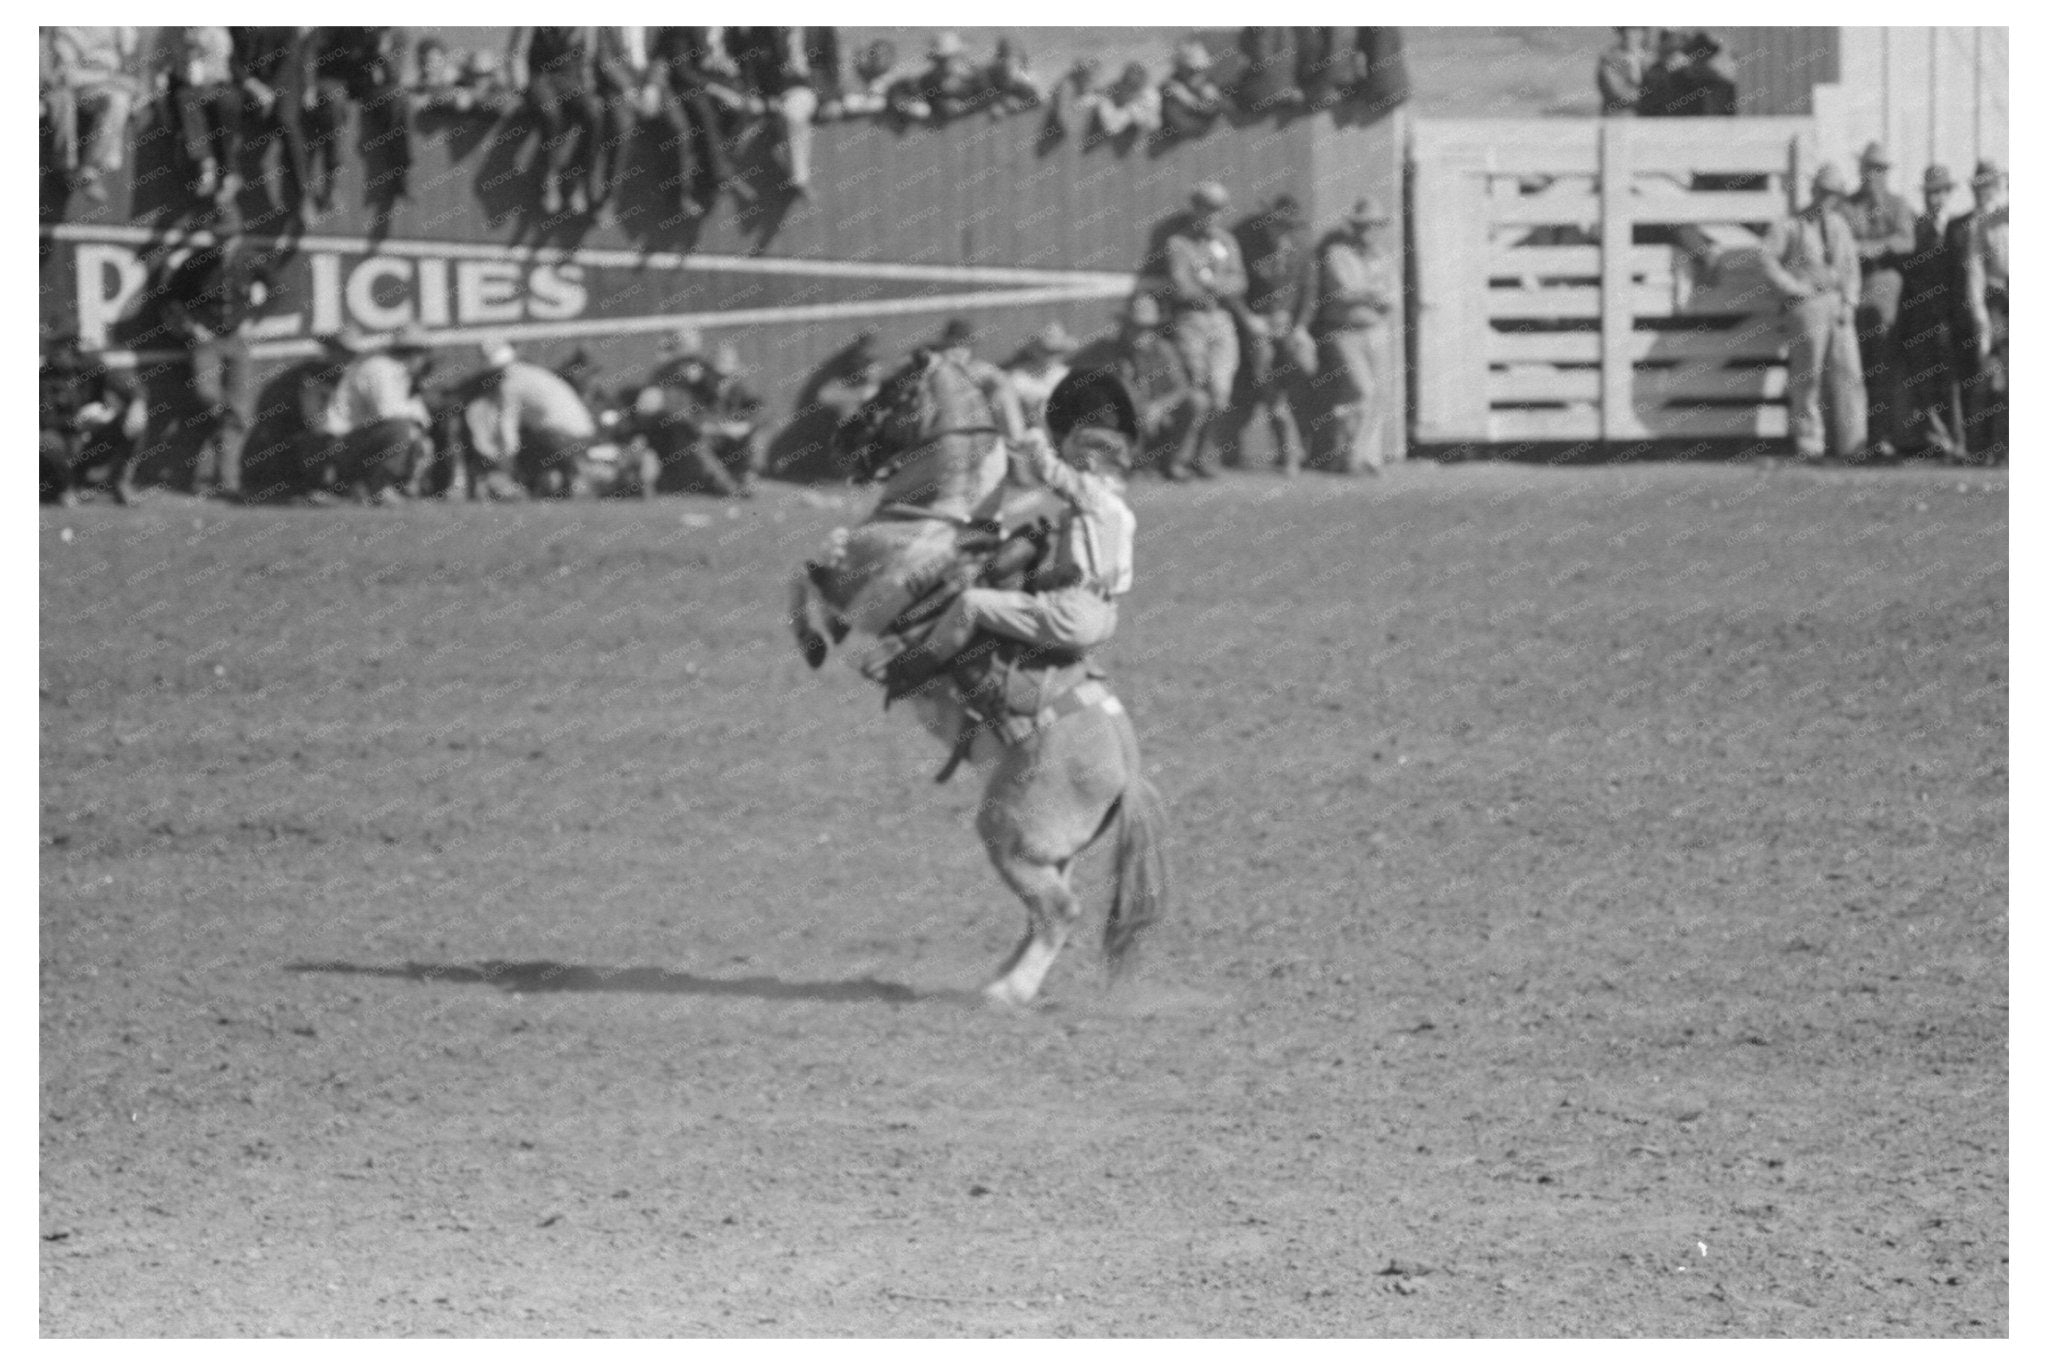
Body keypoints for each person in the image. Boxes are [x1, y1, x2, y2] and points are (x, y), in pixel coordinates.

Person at [881, 367, 1140, 699]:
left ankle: (908, 673)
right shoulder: (1121, 514)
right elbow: (1102, 575)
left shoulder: (1092, 496)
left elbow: (1053, 474)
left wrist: (1033, 439)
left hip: (1074, 614)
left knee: (972, 603)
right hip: (1104, 618)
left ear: (1090, 464)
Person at [160, 203, 274, 499]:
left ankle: (228, 482)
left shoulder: (251, 260)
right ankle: (212, 459)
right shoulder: (196, 261)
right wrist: (192, 327)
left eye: (229, 236)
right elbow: (170, 298)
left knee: (239, 407)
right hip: (207, 340)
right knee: (207, 397)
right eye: (219, 236)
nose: (224, 242)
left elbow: (275, 291)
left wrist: (253, 321)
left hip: (238, 339)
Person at [1759, 164, 1866, 462]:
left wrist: (1850, 301)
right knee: (1809, 375)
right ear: (1813, 191)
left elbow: (1851, 267)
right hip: (1808, 304)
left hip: (1837, 302)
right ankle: (1810, 443)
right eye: (1824, 193)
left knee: (1849, 372)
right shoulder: (1791, 225)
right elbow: (1766, 259)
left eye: (1834, 195)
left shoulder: (1839, 226)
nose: (1828, 200)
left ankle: (1852, 444)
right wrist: (1793, 288)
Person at [1303, 195, 1399, 475]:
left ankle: (1366, 458)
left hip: (1375, 328)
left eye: (1374, 226)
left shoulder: (1382, 256)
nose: (1369, 231)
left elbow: (1392, 296)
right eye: (1364, 225)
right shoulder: (1337, 253)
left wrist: (1369, 295)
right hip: (1344, 330)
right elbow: (1343, 291)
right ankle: (1347, 456)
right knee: (1360, 389)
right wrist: (1371, 293)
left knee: (1378, 394)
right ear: (1354, 227)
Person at [1160, 181, 1250, 477]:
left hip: (1221, 320)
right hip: (1192, 321)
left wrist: (1211, 285)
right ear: (1195, 208)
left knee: (1220, 394)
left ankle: (1203, 456)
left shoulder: (1227, 242)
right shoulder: (1179, 244)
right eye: (1206, 208)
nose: (1211, 216)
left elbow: (1240, 282)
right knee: (1196, 392)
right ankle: (1178, 458)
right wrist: (1212, 288)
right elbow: (1181, 288)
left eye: (1217, 210)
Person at [1838, 142, 1918, 458]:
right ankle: (1853, 437)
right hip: (1852, 285)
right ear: (1861, 170)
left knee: (1883, 362)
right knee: (1853, 364)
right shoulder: (1847, 206)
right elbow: (1839, 240)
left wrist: (1878, 246)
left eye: (1880, 170)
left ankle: (1882, 435)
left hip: (1885, 283)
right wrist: (1859, 249)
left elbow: (1906, 241)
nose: (1874, 175)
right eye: (1870, 169)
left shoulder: (1898, 204)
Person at [1224, 193, 1313, 474]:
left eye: (1289, 227)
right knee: (1268, 384)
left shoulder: (1301, 251)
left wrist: (1300, 327)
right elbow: (1234, 290)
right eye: (1278, 226)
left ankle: (1302, 447)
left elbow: (1309, 293)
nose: (1282, 232)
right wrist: (1249, 319)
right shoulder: (1249, 248)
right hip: (1260, 328)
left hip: (1289, 329)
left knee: (1305, 370)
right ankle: (1289, 453)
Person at [631, 328, 760, 496]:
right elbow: (682, 419)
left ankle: (745, 479)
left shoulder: (710, 377)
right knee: (694, 440)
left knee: (747, 431)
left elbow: (754, 406)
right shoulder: (666, 380)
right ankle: (727, 485)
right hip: (677, 440)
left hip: (708, 431)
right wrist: (720, 428)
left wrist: (743, 425)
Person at [466, 340, 602, 497]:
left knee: (526, 444)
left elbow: (508, 425)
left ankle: (528, 488)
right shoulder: (534, 373)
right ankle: (562, 483)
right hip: (584, 435)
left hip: (561, 438)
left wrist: (507, 460)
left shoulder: (510, 384)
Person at [647, 27, 752, 219]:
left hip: (718, 79)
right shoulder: (684, 27)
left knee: (743, 107)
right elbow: (683, 71)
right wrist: (718, 90)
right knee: (703, 110)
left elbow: (741, 56)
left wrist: (731, 67)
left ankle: (721, 171)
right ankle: (720, 174)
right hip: (690, 83)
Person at [321, 326, 437, 500]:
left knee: (418, 437)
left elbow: (423, 421)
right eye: (423, 354)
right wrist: (416, 431)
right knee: (401, 430)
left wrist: (421, 437)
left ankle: (386, 486)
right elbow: (386, 414)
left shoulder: (401, 375)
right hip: (337, 444)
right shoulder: (379, 368)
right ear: (414, 354)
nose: (425, 360)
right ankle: (379, 487)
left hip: (360, 441)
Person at [1897, 164, 1965, 461]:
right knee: (1923, 380)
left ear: (1948, 194)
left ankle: (1959, 439)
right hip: (1920, 317)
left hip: (1950, 316)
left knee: (1951, 380)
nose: (1934, 198)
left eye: (1939, 192)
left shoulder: (1959, 227)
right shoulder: (1917, 228)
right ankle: (1936, 439)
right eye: (1929, 193)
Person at [306, 27, 414, 206]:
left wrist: (383, 52)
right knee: (334, 104)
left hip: (366, 84)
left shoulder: (394, 34)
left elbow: (394, 77)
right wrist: (309, 86)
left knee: (398, 98)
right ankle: (331, 181)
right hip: (334, 79)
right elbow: (310, 52)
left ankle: (401, 172)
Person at [40, 330, 146, 506]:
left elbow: (123, 383)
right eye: (53, 347)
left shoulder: (90, 365)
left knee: (133, 422)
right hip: (65, 438)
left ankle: (120, 481)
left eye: (61, 346)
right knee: (46, 441)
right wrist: (76, 422)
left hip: (95, 435)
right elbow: (45, 420)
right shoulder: (43, 377)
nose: (55, 352)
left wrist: (138, 401)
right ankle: (66, 487)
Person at [507, 27, 604, 216]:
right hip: (539, 76)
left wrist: (588, 88)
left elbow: (587, 58)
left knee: (593, 113)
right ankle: (549, 177)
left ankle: (577, 178)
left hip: (569, 78)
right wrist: (521, 89)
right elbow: (517, 54)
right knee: (550, 113)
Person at [44, 27, 142, 205]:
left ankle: (89, 171)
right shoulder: (65, 28)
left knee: (120, 100)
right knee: (64, 99)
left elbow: (130, 67)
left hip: (107, 88)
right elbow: (68, 77)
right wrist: (111, 78)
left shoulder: (118, 27)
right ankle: (70, 169)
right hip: (77, 90)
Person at [230, 27, 318, 220]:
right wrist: (252, 85)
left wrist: (271, 92)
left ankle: (304, 193)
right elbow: (233, 59)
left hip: (284, 82)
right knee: (226, 108)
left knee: (287, 122)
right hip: (250, 83)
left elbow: (289, 60)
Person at [1953, 159, 2008, 464]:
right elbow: (1975, 276)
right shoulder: (1983, 225)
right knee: (1992, 375)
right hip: (1997, 306)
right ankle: (1984, 448)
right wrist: (1981, 319)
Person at [731, 27, 828, 196]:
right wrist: (759, 98)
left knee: (793, 113)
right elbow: (750, 70)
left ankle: (799, 179)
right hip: (774, 95)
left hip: (807, 90)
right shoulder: (760, 31)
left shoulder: (818, 29)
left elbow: (831, 67)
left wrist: (826, 99)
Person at [156, 26, 242, 203]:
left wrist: (198, 50)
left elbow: (219, 69)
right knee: (186, 98)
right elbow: (160, 64)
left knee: (223, 104)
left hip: (217, 86)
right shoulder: (170, 32)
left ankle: (229, 174)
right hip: (185, 89)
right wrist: (162, 79)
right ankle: (206, 165)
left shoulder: (216, 33)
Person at [933, 318, 1028, 441]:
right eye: (955, 344)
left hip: (976, 418)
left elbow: (1001, 380)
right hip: (948, 419)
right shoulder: (937, 364)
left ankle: (1017, 442)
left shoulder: (976, 367)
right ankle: (1016, 441)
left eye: (965, 345)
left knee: (1003, 394)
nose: (960, 350)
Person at [887, 32, 986, 123]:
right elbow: (928, 102)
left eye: (950, 58)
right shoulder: (929, 78)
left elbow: (985, 97)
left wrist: (965, 105)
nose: (945, 63)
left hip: (967, 121)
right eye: (941, 60)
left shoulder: (973, 77)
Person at [1004, 323, 1079, 432]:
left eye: (1055, 352)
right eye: (1045, 351)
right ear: (1034, 351)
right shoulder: (1018, 377)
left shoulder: (1066, 375)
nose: (1050, 357)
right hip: (1031, 433)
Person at [1159, 41, 1226, 139]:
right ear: (1181, 68)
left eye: (1202, 70)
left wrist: (1193, 100)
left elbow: (1213, 108)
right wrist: (1186, 98)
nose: (1200, 74)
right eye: (1194, 71)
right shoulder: (1172, 87)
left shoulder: (1207, 86)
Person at [1597, 27, 1649, 116]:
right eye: (1624, 29)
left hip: (1652, 117)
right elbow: (1617, 91)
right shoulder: (1609, 59)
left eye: (1634, 29)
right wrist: (1650, 98)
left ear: (1644, 32)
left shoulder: (1651, 58)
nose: (1628, 34)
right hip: (1620, 115)